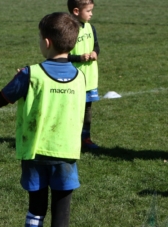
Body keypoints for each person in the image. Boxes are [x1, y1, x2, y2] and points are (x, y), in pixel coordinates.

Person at [0, 12, 84, 227]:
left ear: (46, 42)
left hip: (35, 152)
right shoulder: (80, 77)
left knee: (36, 209)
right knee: (61, 213)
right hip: (67, 153)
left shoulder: (31, 74)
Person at [67, 0, 100, 149]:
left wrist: (94, 52)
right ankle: (71, 139)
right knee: (72, 110)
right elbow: (62, 55)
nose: (91, 14)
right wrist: (78, 58)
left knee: (87, 109)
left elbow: (96, 46)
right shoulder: (68, 30)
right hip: (73, 79)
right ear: (76, 11)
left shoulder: (90, 28)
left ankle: (85, 138)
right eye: (88, 11)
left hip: (90, 78)